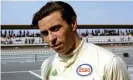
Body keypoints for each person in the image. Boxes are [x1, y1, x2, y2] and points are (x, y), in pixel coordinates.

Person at [32, 1, 130, 80]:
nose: (50, 38)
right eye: (44, 33)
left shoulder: (109, 63)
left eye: (55, 29)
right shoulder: (46, 65)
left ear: (73, 23)